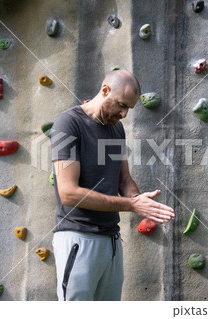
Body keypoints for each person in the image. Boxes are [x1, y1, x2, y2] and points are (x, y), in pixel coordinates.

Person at [50, 69, 175, 301]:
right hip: (78, 238)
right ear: (105, 90)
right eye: (121, 105)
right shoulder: (67, 124)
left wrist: (138, 199)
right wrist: (131, 205)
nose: (124, 114)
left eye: (129, 108)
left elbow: (123, 179)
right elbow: (68, 193)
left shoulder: (116, 128)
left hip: (111, 241)